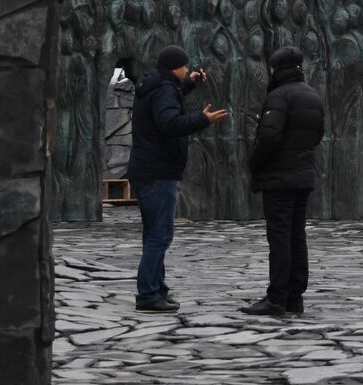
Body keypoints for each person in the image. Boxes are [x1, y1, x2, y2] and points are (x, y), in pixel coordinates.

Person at [127, 45, 229, 313]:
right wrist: (202, 119)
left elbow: (165, 104)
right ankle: (148, 294)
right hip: (157, 172)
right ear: (174, 67)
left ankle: (156, 289)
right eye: (185, 67)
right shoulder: (163, 89)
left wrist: (189, 86)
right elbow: (169, 123)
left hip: (148, 170)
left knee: (155, 234)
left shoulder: (156, 85)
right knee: (159, 236)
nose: (187, 69)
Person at [243, 46, 325, 317]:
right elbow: (317, 134)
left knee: (279, 238)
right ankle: (294, 297)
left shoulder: (279, 97)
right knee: (296, 236)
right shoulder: (312, 96)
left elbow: (269, 137)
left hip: (279, 178)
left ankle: (277, 297)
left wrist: (254, 163)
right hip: (302, 175)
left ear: (276, 69)